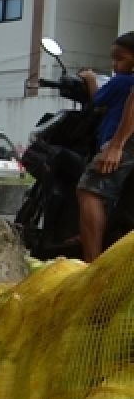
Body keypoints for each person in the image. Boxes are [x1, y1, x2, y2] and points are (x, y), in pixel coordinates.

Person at [77, 31, 134, 262]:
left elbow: (98, 100)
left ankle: (93, 266)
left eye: (119, 58)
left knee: (89, 189)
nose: (114, 64)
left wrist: (117, 145)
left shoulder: (122, 81)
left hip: (127, 139)